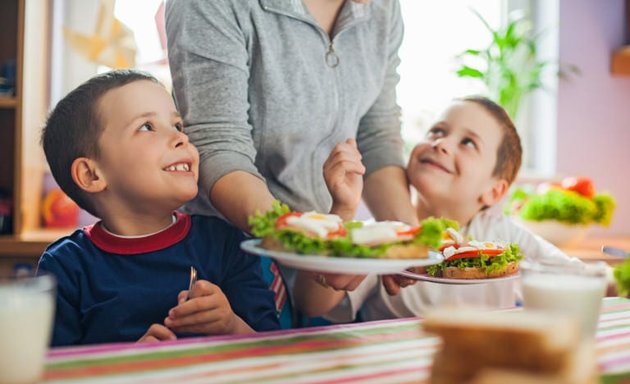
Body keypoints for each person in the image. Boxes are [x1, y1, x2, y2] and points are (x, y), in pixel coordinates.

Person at [165, 0, 418, 294]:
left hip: (320, 251)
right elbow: (218, 146)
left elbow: (377, 136)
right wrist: (304, 239)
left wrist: (413, 242)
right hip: (224, 260)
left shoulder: (382, 7)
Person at [37, 70, 279, 346]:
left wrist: (230, 325)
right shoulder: (65, 267)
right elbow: (49, 371)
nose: (181, 138)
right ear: (92, 175)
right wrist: (128, 367)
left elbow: (272, 349)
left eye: (177, 125)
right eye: (147, 127)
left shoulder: (226, 242)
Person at [294, 96, 591, 321]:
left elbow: (579, 277)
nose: (442, 144)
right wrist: (343, 211)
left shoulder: (499, 234)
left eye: (468, 143)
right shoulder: (383, 235)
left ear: (494, 191)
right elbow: (313, 305)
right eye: (437, 131)